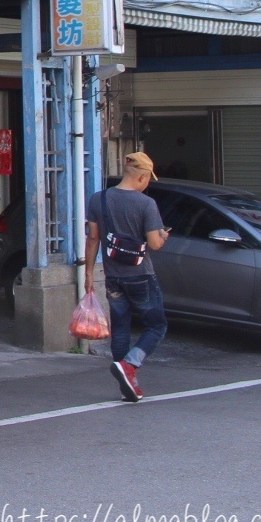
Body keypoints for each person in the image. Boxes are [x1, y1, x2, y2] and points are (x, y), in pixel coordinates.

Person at [86, 152, 170, 402]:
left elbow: (93, 238)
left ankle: (126, 380)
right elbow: (154, 244)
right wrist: (164, 235)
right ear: (142, 177)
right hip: (141, 275)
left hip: (113, 276)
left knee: (121, 326)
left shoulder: (98, 199)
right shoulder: (146, 204)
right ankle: (131, 365)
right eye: (148, 179)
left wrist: (90, 272)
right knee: (157, 325)